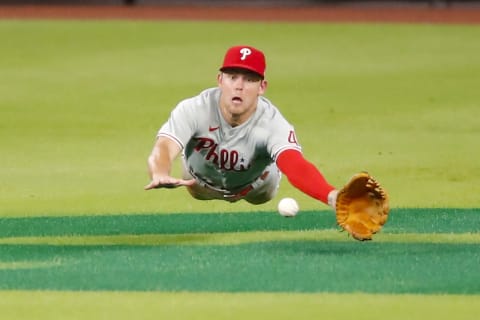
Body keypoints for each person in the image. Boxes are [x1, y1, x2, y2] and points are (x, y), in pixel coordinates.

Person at [145, 45, 339, 208]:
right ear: (220, 80)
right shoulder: (194, 109)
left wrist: (333, 197)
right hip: (198, 183)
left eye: (249, 79)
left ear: (262, 87)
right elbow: (164, 145)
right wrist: (160, 172)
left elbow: (296, 165)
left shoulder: (273, 123)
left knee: (264, 192)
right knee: (193, 183)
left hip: (258, 187)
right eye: (232, 77)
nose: (239, 86)